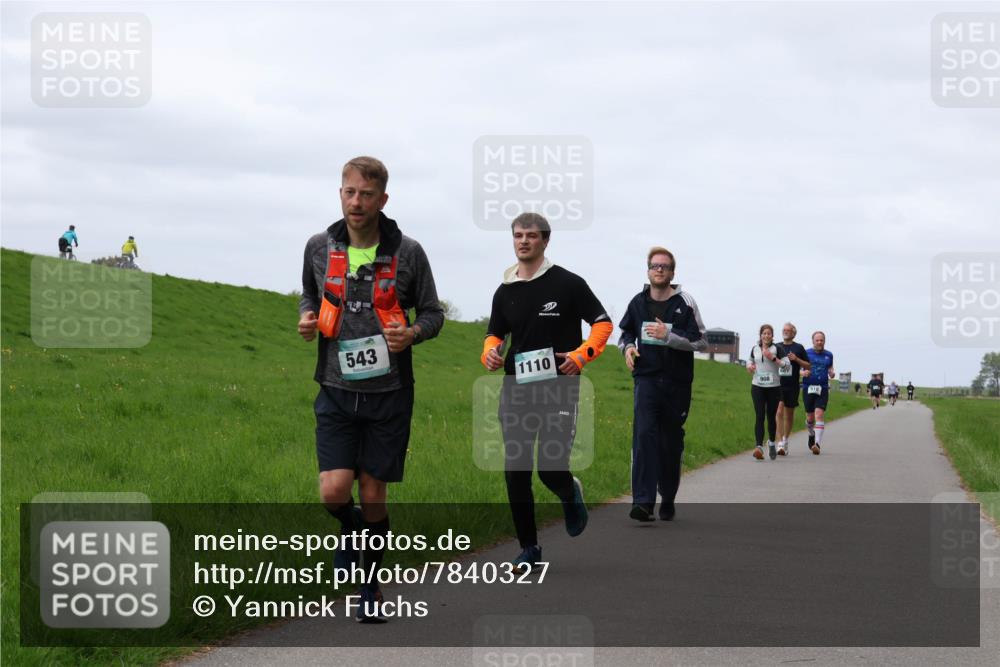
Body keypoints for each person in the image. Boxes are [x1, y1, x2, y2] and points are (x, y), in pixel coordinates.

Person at [297, 156, 444, 623]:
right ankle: (350, 531)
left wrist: (414, 334)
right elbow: (309, 293)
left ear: (383, 199)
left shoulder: (410, 253)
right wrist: (306, 318)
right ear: (340, 194)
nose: (356, 202)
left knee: (374, 495)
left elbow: (433, 313)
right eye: (349, 192)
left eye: (366, 194)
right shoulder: (319, 247)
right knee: (333, 493)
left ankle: (369, 588)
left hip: (389, 393)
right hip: (336, 389)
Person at [482, 212, 612, 565]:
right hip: (516, 387)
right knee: (516, 468)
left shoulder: (568, 283)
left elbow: (601, 323)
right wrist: (489, 352)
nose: (523, 241)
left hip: (558, 386)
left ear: (545, 240)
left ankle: (568, 491)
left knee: (550, 468)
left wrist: (582, 355)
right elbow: (495, 333)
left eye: (531, 235)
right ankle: (529, 548)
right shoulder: (504, 290)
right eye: (518, 235)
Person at [618, 247, 707, 520]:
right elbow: (625, 334)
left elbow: (701, 341)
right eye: (655, 266)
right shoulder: (637, 303)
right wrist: (628, 350)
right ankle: (643, 502)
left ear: (672, 272)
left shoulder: (685, 303)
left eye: (664, 266)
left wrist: (668, 335)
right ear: (648, 270)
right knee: (644, 435)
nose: (659, 270)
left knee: (669, 443)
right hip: (645, 379)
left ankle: (667, 494)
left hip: (677, 383)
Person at [746, 324, 787, 460]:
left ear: (772, 336)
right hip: (757, 386)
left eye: (769, 333)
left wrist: (773, 358)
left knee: (771, 416)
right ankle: (758, 447)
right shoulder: (755, 349)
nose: (766, 336)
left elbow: (786, 365)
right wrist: (750, 366)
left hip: (774, 387)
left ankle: (771, 443)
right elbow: (750, 360)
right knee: (759, 415)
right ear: (760, 335)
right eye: (764, 333)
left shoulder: (778, 349)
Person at [775, 323, 811, 456]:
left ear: (793, 333)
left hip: (792, 384)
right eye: (784, 330)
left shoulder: (799, 347)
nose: (785, 332)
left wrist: (796, 359)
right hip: (778, 384)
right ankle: (779, 442)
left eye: (788, 330)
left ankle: (785, 440)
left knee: (789, 414)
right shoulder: (777, 346)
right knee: (778, 411)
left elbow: (808, 366)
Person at [801, 331, 835, 455]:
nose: (820, 342)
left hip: (823, 388)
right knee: (810, 418)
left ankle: (817, 444)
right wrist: (802, 373)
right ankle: (811, 433)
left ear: (824, 341)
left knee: (819, 414)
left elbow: (830, 368)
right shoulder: (806, 353)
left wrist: (832, 373)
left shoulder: (829, 355)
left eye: (822, 340)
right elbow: (798, 369)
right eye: (817, 340)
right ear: (813, 341)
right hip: (808, 387)